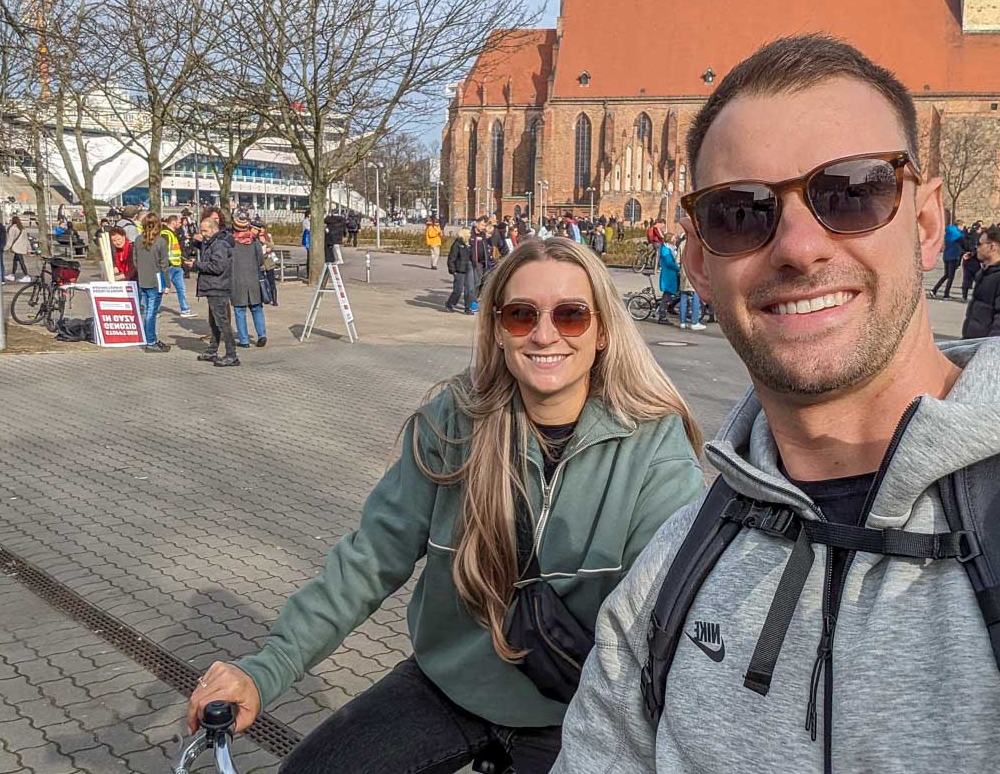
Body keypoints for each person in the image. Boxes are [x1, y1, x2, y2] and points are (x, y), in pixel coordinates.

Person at [554, 34, 1000, 774]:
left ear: (926, 224)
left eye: (852, 193)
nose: (799, 247)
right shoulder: (669, 574)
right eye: (741, 212)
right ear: (700, 262)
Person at [186, 238, 705, 774]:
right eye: (522, 315)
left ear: (601, 333)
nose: (544, 334)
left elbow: (669, 613)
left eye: (571, 316)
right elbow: (369, 560)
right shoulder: (453, 422)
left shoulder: (652, 446)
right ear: (498, 330)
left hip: (577, 705)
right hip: (450, 682)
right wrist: (265, 669)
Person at [184, 216, 238, 367]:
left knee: (222, 323)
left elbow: (218, 267)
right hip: (213, 287)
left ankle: (232, 354)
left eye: (205, 230)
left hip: (218, 288)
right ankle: (212, 350)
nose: (203, 233)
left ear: (214, 229)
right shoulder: (212, 242)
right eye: (202, 230)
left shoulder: (219, 244)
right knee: (214, 322)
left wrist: (197, 265)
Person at [960, 225, 1000, 338]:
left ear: (992, 247)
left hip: (986, 346)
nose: (977, 247)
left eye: (979, 244)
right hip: (973, 341)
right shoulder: (985, 272)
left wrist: (991, 347)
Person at [134, 212, 171, 353]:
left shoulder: (138, 240)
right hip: (156, 280)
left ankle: (152, 338)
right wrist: (167, 284)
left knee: (146, 310)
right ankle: (150, 341)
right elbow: (164, 265)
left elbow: (135, 260)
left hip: (142, 279)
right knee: (151, 312)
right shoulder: (161, 241)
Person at [230, 215, 267, 348]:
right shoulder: (254, 241)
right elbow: (261, 260)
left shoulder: (231, 242)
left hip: (236, 280)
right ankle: (262, 334)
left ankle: (244, 340)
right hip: (253, 280)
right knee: (257, 308)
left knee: (240, 311)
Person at [162, 214, 195, 317]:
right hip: (170, 266)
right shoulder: (166, 234)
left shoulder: (172, 233)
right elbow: (164, 250)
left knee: (181, 288)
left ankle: (185, 309)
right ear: (173, 222)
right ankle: (155, 309)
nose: (180, 224)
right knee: (163, 289)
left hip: (177, 265)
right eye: (178, 222)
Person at [676, 234, 705, 330]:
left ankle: (682, 322)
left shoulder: (682, 243)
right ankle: (694, 322)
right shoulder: (698, 244)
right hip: (694, 272)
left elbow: (677, 260)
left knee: (683, 296)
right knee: (696, 296)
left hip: (684, 272)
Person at [929, 219, 964, 299]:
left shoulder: (948, 232)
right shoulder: (958, 234)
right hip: (954, 256)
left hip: (946, 255)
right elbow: (963, 242)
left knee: (946, 275)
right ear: (959, 226)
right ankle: (946, 294)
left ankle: (934, 290)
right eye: (962, 226)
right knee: (950, 277)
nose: (963, 228)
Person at [445, 227, 475, 314]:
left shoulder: (469, 244)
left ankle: (468, 308)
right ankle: (450, 304)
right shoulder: (457, 244)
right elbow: (451, 258)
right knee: (458, 289)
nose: (470, 235)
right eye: (469, 233)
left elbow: (472, 256)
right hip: (459, 269)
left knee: (470, 289)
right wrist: (452, 270)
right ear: (464, 234)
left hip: (469, 267)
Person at [656, 233, 680, 325]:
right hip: (668, 275)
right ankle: (662, 316)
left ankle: (666, 310)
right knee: (666, 296)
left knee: (669, 295)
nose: (675, 240)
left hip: (671, 275)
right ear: (669, 239)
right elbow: (669, 262)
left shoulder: (670, 248)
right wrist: (678, 268)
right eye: (673, 238)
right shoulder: (666, 249)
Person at [958, 221, 982, 301]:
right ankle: (977, 296)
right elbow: (977, 249)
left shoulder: (965, 236)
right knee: (978, 279)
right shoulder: (978, 238)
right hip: (974, 260)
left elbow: (960, 247)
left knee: (966, 278)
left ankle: (964, 296)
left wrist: (964, 253)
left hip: (966, 260)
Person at [7, 216, 31, 282]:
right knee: (15, 261)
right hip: (22, 247)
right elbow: (27, 240)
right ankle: (12, 274)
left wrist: (6, 247)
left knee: (21, 261)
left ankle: (27, 275)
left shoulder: (13, 228)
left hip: (17, 247)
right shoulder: (22, 229)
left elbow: (10, 239)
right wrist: (29, 249)